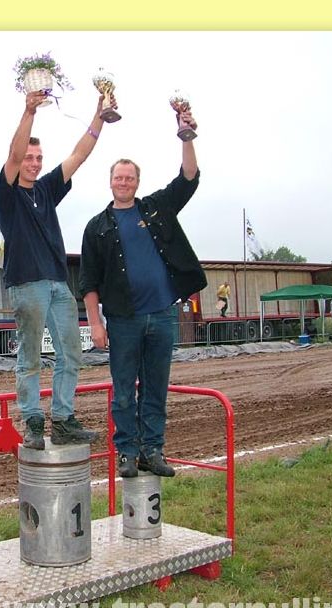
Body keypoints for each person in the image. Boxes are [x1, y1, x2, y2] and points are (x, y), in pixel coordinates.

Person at [78, 105, 206, 478]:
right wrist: (95, 324)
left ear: (137, 182)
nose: (124, 182)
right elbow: (89, 282)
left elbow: (188, 178)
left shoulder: (156, 208)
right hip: (123, 320)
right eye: (119, 177)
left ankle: (153, 450)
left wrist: (186, 137)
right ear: (110, 182)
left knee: (156, 389)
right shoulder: (96, 227)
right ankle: (127, 453)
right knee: (123, 391)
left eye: (130, 178)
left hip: (162, 315)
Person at [0, 90, 110, 449]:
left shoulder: (46, 189)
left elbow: (79, 155)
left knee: (71, 353)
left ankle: (62, 419)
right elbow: (13, 155)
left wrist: (99, 116)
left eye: (39, 158)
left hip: (59, 283)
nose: (34, 163)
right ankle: (32, 421)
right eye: (29, 157)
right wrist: (29, 111)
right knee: (30, 356)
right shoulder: (5, 193)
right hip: (27, 283)